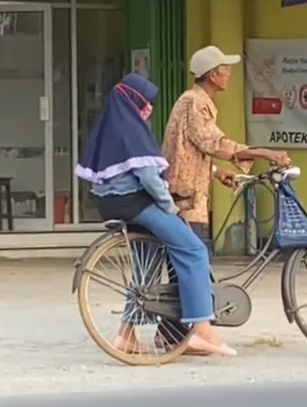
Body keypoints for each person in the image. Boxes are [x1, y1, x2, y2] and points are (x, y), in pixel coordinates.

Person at [75, 73, 237, 357]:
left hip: (111, 203)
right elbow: (148, 177)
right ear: (135, 102)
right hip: (135, 203)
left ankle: (126, 334)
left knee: (145, 265)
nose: (149, 109)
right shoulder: (132, 129)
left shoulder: (110, 126)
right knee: (194, 249)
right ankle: (200, 328)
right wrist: (170, 207)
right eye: (147, 103)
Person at [157, 45, 291, 350]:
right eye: (225, 69)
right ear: (213, 74)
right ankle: (194, 332)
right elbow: (214, 142)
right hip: (185, 199)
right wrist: (265, 152)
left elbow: (193, 149)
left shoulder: (197, 102)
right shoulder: (195, 103)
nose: (229, 74)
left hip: (190, 192)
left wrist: (217, 173)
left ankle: (171, 334)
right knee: (190, 263)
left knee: (185, 266)